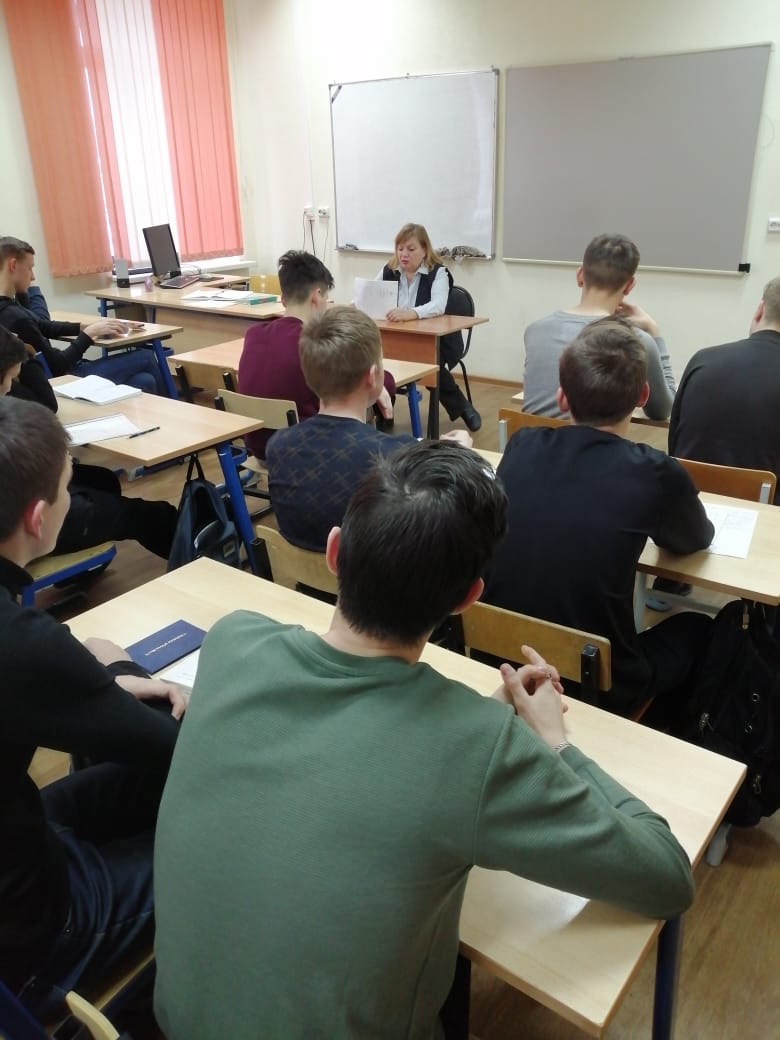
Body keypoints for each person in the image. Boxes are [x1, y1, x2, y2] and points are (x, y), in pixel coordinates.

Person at [153, 440, 695, 1040]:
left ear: (334, 551)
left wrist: (479, 730)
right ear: (468, 598)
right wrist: (554, 741)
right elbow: (666, 877)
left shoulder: (233, 639)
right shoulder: (478, 746)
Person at [0, 395, 186, 1021]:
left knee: (140, 783)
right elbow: (170, 746)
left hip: (24, 840)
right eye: (68, 490)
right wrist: (117, 677)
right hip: (35, 934)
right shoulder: (21, 644)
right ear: (38, 518)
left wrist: (96, 686)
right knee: (234, 837)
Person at [485, 318, 714, 720]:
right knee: (699, 626)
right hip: (596, 682)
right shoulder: (656, 472)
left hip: (499, 656)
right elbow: (695, 538)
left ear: (562, 397)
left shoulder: (522, 445)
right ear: (643, 396)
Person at [266, 305, 470, 551]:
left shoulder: (278, 445)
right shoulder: (396, 456)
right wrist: (458, 451)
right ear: (373, 376)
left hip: (296, 574)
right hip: (370, 574)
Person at [0, 327, 178, 559]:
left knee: (104, 481)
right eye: (10, 379)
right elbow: (45, 403)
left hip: (19, 500)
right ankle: (201, 562)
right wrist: (30, 357)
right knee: (147, 515)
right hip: (19, 520)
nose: (10, 387)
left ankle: (87, 554)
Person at [238, 250, 396, 457]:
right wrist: (383, 383)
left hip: (257, 447)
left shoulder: (253, 334)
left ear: (283, 299)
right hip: (307, 452)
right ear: (317, 295)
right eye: (326, 298)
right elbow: (362, 384)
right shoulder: (315, 343)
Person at [523, 233, 675, 421]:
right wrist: (653, 330)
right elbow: (662, 411)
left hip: (530, 438)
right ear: (629, 285)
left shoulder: (535, 331)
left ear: (580, 275)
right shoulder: (637, 341)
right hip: (592, 441)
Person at [0, 236, 167, 395]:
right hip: (64, 380)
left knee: (144, 380)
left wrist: (87, 327)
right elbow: (59, 366)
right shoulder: (16, 317)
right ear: (13, 265)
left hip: (57, 375)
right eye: (30, 268)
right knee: (146, 357)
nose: (33, 276)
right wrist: (88, 335)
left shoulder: (9, 306)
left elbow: (44, 325)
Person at [669, 275, 780, 504]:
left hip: (686, 505)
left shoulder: (702, 359)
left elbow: (674, 444)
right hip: (765, 514)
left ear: (759, 311)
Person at [378, 222, 482, 431]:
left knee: (431, 362)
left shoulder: (438, 272)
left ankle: (462, 406)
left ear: (425, 250)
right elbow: (370, 292)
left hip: (439, 340)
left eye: (411, 249)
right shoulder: (389, 270)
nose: (404, 254)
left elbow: (438, 305)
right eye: (400, 248)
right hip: (398, 338)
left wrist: (411, 313)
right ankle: (384, 415)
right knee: (377, 360)